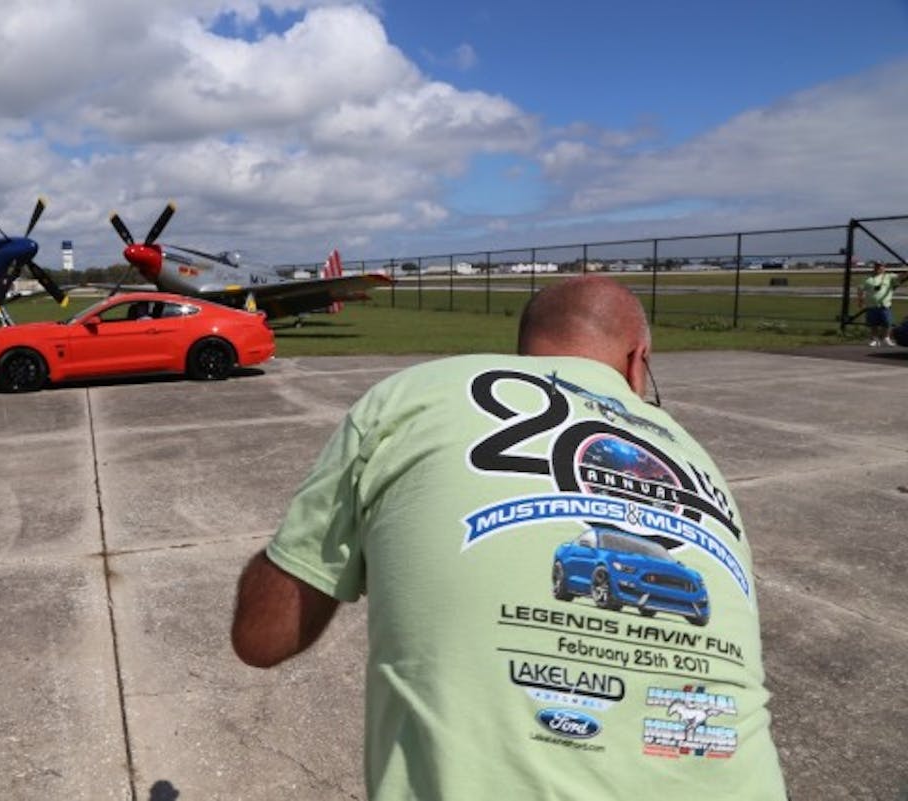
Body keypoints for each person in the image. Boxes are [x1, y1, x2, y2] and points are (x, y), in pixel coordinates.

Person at [231, 275, 786, 800]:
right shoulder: (693, 453)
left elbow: (261, 640)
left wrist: (304, 549)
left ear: (525, 354)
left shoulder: (414, 395)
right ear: (638, 363)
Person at [856, 261, 901, 346]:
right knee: (873, 323)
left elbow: (900, 277)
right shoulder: (867, 278)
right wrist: (860, 300)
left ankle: (886, 338)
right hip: (871, 305)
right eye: (876, 266)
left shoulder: (889, 277)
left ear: (884, 268)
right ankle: (874, 339)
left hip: (885, 305)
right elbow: (860, 289)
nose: (878, 268)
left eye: (880, 266)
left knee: (887, 322)